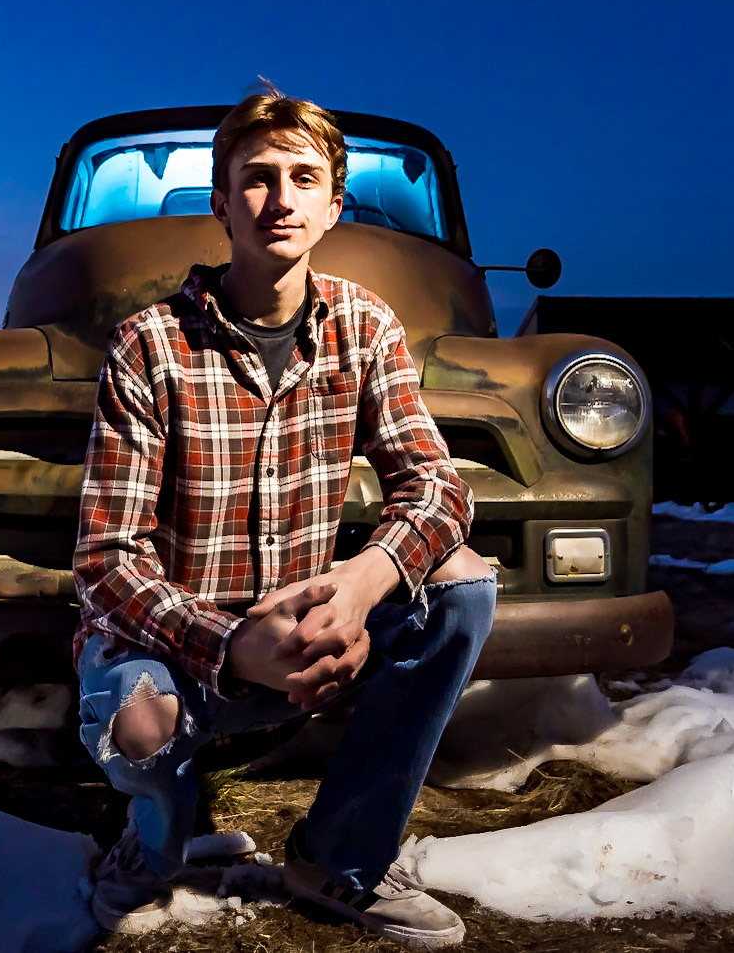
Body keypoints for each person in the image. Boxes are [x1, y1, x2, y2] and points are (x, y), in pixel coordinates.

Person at [72, 87, 495, 947]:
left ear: (335, 205)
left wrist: (362, 580)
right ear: (220, 200)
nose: (281, 197)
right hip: (178, 652)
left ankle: (340, 857)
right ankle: (157, 841)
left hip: (310, 632)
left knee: (462, 583)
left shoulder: (366, 326)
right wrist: (230, 646)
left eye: (305, 177)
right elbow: (107, 560)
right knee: (140, 727)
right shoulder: (151, 342)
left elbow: (441, 487)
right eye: (257, 177)